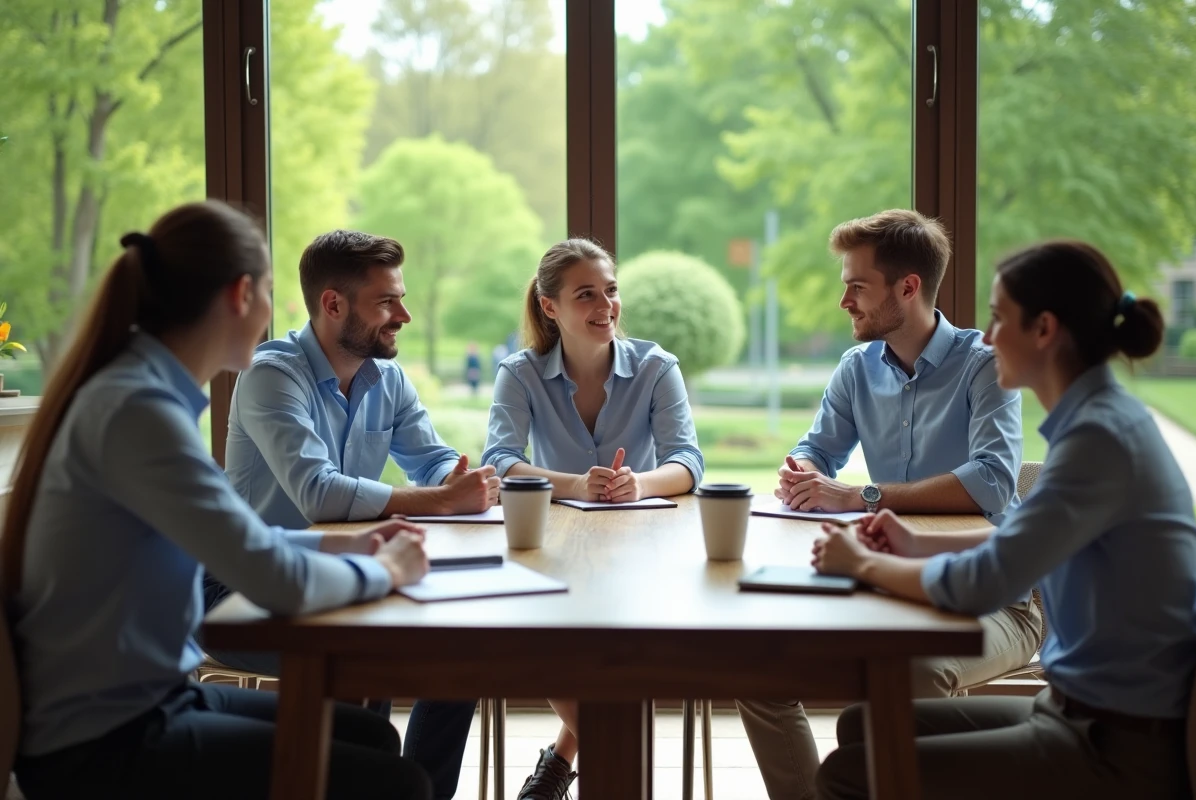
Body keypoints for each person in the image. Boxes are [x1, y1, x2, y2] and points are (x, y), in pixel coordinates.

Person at [4, 202, 434, 799]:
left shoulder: (143, 393)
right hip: (106, 739)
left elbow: (241, 535)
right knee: (399, 783)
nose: (274, 313)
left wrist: (356, 543)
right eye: (268, 293)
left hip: (157, 696)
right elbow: (274, 579)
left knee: (370, 738)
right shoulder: (139, 413)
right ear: (240, 295)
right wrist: (383, 569)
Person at [812, 240, 1196, 800]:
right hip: (1074, 713)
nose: (988, 337)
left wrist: (866, 564)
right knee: (861, 728)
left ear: (1043, 329)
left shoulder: (1099, 440)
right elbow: (1015, 541)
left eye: (998, 318)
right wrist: (911, 542)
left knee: (846, 775)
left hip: (1114, 745)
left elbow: (985, 582)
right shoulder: (1098, 422)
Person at [737, 210, 1040, 800]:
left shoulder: (984, 365)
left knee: (908, 676)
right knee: (757, 672)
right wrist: (803, 472)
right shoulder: (857, 368)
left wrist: (861, 496)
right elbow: (817, 449)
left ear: (908, 287)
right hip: (886, 581)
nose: (843, 300)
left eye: (857, 285)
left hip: (998, 595)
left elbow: (992, 482)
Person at [215, 229, 496, 799]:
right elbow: (318, 493)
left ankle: (416, 791)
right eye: (387, 301)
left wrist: (455, 479)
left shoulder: (386, 378)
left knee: (464, 653)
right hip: (243, 586)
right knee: (375, 654)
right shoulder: (272, 375)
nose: (405, 315)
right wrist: (442, 501)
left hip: (345, 575)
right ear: (333, 304)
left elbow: (432, 456)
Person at [481, 238, 705, 799]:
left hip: (642, 542)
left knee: (617, 650)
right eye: (586, 294)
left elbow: (689, 461)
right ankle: (615, 768)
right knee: (543, 641)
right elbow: (499, 461)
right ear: (550, 307)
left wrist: (638, 484)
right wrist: (573, 485)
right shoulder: (520, 372)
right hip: (552, 543)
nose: (605, 304)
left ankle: (562, 763)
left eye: (610, 290)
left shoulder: (657, 368)